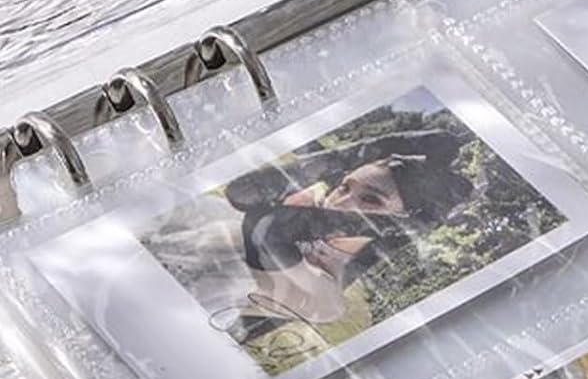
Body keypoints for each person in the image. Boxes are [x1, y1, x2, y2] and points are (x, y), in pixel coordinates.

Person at [144, 125, 474, 353]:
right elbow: (242, 192)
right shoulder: (303, 214)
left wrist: (375, 224)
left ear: (400, 223)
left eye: (371, 200)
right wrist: (365, 151)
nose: (340, 202)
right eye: (344, 187)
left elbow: (269, 233)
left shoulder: (326, 296)